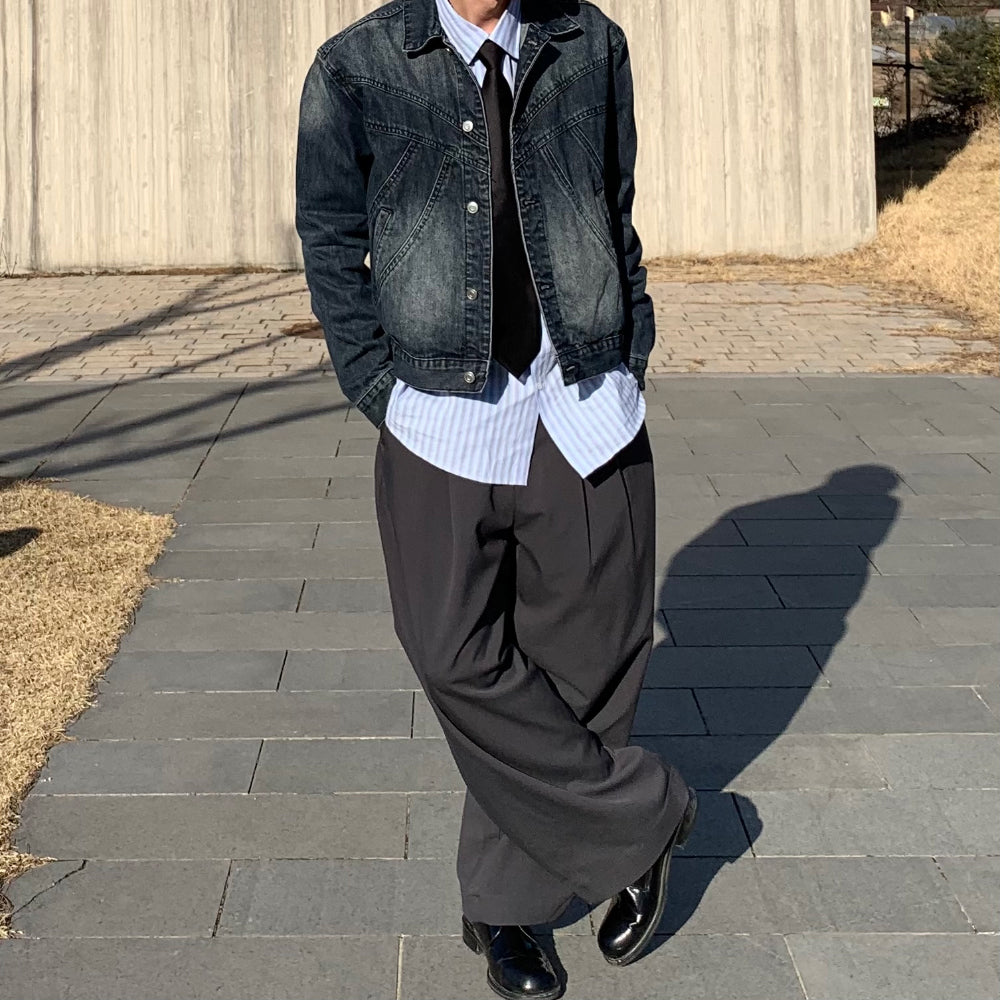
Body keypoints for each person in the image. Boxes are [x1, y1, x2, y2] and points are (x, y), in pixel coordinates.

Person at [295, 0, 696, 995]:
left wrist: (629, 354)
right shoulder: (356, 67)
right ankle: (640, 818)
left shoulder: (589, 44)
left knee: (588, 654)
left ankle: (506, 907)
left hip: (582, 399)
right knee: (449, 648)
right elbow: (330, 235)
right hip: (440, 412)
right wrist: (376, 385)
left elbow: (614, 203)